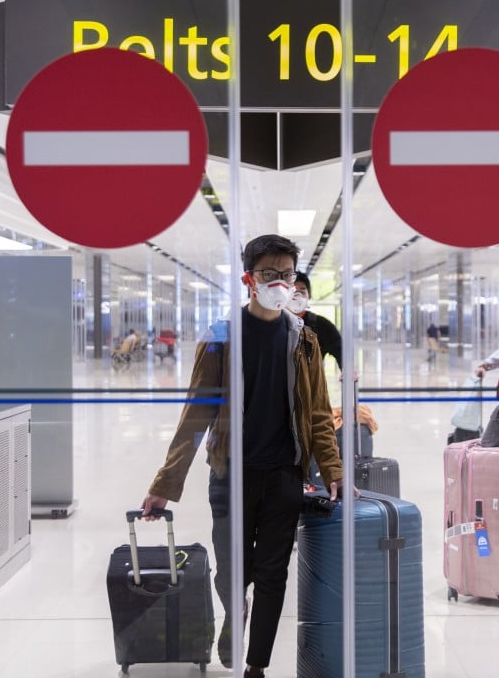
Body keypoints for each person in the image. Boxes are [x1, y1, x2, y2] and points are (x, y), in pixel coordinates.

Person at [140, 234, 349, 677]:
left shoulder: (305, 341)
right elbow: (196, 414)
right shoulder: (221, 338)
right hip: (230, 475)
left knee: (273, 574)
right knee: (233, 573)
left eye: (287, 275)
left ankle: (256, 665)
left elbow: (315, 414)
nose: (280, 284)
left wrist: (332, 469)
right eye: (270, 275)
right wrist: (164, 486)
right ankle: (236, 614)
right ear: (248, 279)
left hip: (284, 476)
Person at [286, 271, 342, 371]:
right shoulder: (274, 323)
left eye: (302, 292)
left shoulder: (321, 325)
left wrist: (347, 370)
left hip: (311, 385)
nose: (297, 296)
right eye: (293, 291)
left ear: (309, 296)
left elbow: (340, 350)